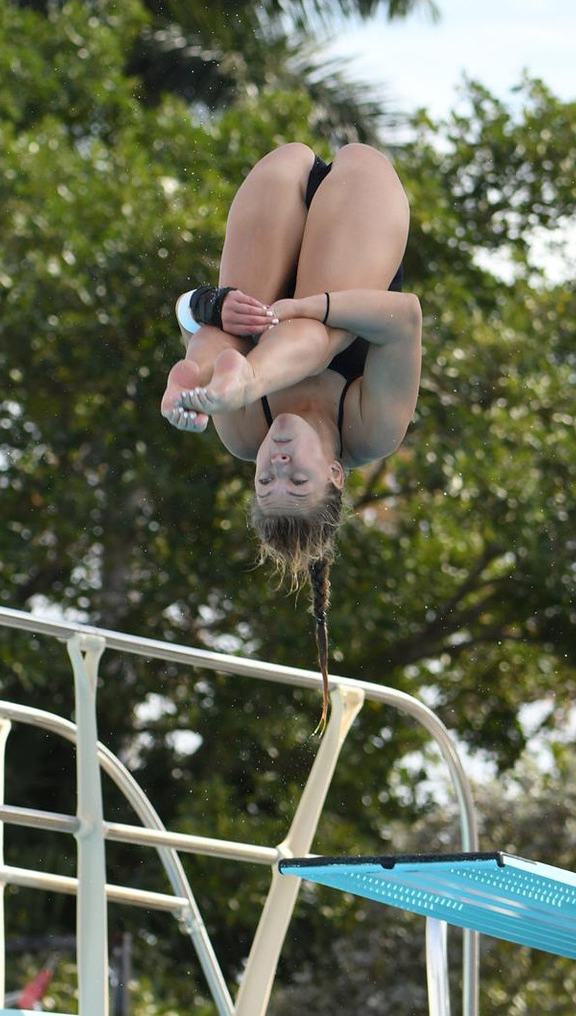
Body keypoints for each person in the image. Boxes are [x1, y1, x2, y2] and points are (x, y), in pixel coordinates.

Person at [160, 142, 422, 728]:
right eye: (295, 476)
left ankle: (198, 379)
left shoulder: (242, 434)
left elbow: (192, 316)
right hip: (361, 218)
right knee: (312, 333)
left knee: (232, 325)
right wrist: (321, 306)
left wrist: (204, 306)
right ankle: (255, 370)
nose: (275, 458)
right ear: (333, 474)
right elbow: (405, 316)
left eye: (265, 476)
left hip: (269, 243)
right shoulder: (372, 429)